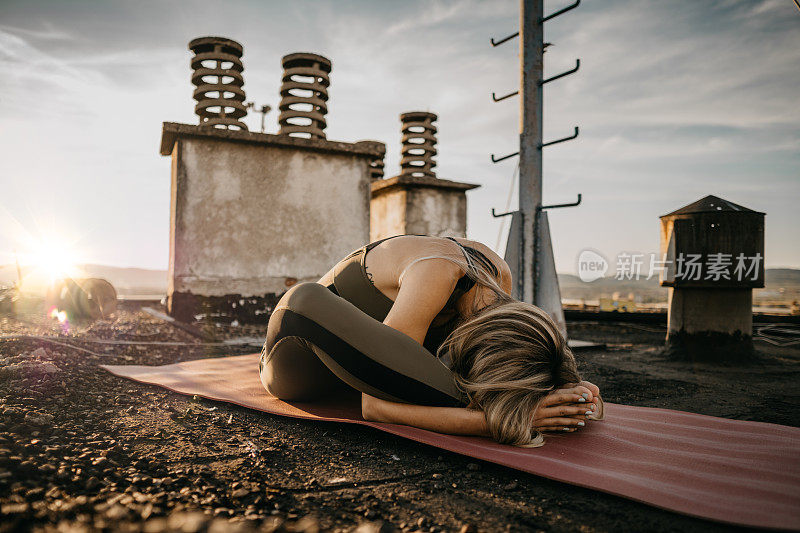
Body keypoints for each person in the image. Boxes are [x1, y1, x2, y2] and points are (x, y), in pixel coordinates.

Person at [260, 234, 603, 447]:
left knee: (446, 376)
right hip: (298, 355)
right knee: (304, 297)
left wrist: (575, 392)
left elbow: (533, 360)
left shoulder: (497, 281)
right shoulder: (438, 275)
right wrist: (506, 419)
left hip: (359, 369)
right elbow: (376, 406)